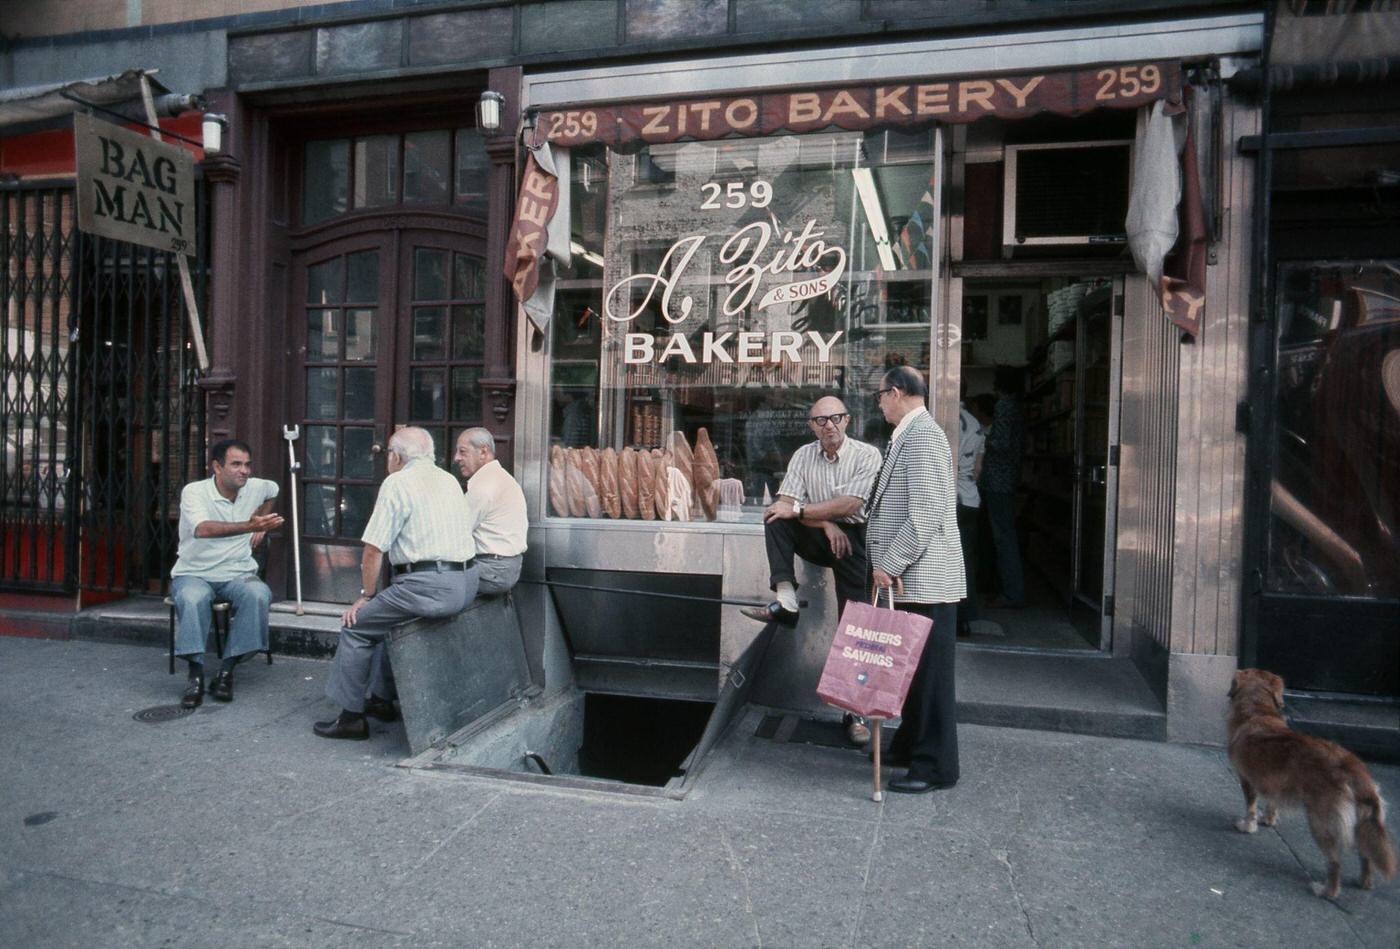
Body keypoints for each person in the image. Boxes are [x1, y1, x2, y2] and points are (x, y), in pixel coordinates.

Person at [314, 427, 478, 741]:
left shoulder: (397, 482)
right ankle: (380, 698)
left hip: (430, 586)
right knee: (392, 619)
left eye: (389, 454)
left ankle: (351, 718)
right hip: (466, 581)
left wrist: (366, 595)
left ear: (396, 456)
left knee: (357, 627)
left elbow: (374, 548)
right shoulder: (448, 480)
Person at [740, 395, 882, 746]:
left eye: (835, 418)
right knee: (774, 516)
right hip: (822, 533)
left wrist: (816, 516)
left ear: (847, 421)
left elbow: (851, 504)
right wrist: (825, 524)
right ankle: (786, 602)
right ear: (811, 426)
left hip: (857, 540)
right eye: (820, 420)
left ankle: (856, 713)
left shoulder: (867, 455)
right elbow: (785, 503)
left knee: (855, 626)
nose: (828, 425)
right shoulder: (804, 455)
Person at [867, 366, 965, 794]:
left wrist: (890, 562)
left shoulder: (922, 436)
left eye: (880, 396)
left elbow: (923, 514)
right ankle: (910, 746)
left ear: (897, 392)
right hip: (914, 579)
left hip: (922, 579)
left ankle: (934, 766)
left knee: (929, 678)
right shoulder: (912, 434)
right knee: (911, 672)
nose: (879, 404)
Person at [169, 439, 283, 708]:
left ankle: (226, 670)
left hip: (237, 572)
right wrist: (249, 525)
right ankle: (195, 674)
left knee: (258, 593)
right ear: (217, 467)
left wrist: (261, 527)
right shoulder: (194, 492)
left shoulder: (255, 487)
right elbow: (202, 529)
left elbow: (273, 490)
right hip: (194, 572)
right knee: (193, 598)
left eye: (247, 465)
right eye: (236, 464)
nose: (244, 471)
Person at [453, 427, 528, 596]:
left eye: (462, 452)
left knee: (426, 580)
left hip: (492, 569)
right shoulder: (500, 476)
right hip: (505, 567)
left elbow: (455, 533)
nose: (456, 458)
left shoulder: (483, 486)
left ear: (483, 452)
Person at [982, 365, 1026, 608]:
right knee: (1005, 535)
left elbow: (1001, 443)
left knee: (1003, 537)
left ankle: (1011, 593)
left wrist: (982, 437)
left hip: (998, 479)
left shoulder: (1004, 406)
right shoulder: (1016, 406)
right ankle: (1010, 591)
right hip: (1008, 478)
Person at [956, 397, 990, 636]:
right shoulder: (976, 424)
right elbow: (978, 470)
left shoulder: (944, 420)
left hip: (950, 499)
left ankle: (949, 618)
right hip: (969, 499)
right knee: (966, 560)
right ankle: (965, 617)